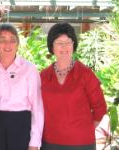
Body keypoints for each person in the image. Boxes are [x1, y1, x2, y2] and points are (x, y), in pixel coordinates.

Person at [40, 22, 107, 150]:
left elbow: (100, 108)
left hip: (81, 144)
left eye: (68, 42)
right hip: (49, 142)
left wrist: (83, 130)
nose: (64, 47)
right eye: (59, 43)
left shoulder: (86, 74)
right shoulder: (43, 76)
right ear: (52, 46)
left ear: (73, 44)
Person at [0, 23, 44, 150]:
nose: (8, 45)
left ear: (17, 44)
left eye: (12, 40)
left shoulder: (29, 69)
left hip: (21, 127)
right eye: (2, 40)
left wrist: (34, 142)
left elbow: (37, 106)